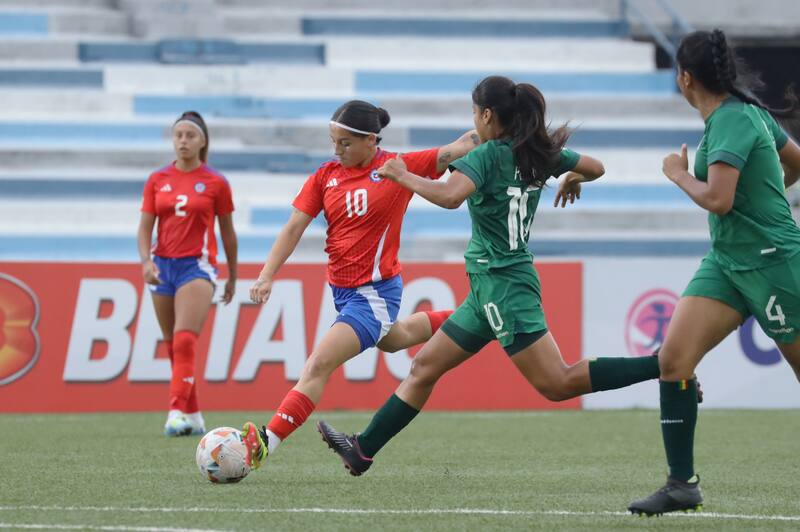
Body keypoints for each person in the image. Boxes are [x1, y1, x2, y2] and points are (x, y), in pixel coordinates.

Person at [315, 75, 677, 477]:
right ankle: (362, 449)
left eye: (474, 111)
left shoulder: (488, 156)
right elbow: (597, 167)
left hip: (504, 287)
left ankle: (663, 364)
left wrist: (403, 176)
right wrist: (573, 176)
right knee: (424, 368)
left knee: (557, 383)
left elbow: (451, 197)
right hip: (488, 288)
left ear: (487, 114)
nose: (474, 118)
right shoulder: (540, 152)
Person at [240, 100, 481, 469]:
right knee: (395, 338)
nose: (336, 150)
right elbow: (293, 227)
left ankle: (265, 443)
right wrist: (267, 274)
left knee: (318, 364)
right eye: (333, 142)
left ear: (371, 140)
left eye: (345, 143)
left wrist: (510, 133)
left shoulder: (398, 167)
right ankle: (476, 317)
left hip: (375, 293)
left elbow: (464, 143)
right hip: (343, 292)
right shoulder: (325, 175)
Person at [624, 29, 800, 516]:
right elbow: (795, 164)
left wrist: (678, 173)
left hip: (772, 264)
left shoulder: (730, 121)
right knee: (673, 360)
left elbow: (718, 198)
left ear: (685, 78)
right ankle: (682, 483)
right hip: (726, 263)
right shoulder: (747, 114)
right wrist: (764, 194)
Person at [137, 111, 238, 437]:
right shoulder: (157, 179)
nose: (183, 140)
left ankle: (176, 410)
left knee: (183, 339)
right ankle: (193, 415)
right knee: (172, 346)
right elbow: (144, 226)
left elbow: (227, 233)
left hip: (197, 266)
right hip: (162, 266)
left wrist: (233, 276)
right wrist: (145, 262)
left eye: (190, 135)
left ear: (203, 141)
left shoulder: (216, 182)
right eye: (178, 134)